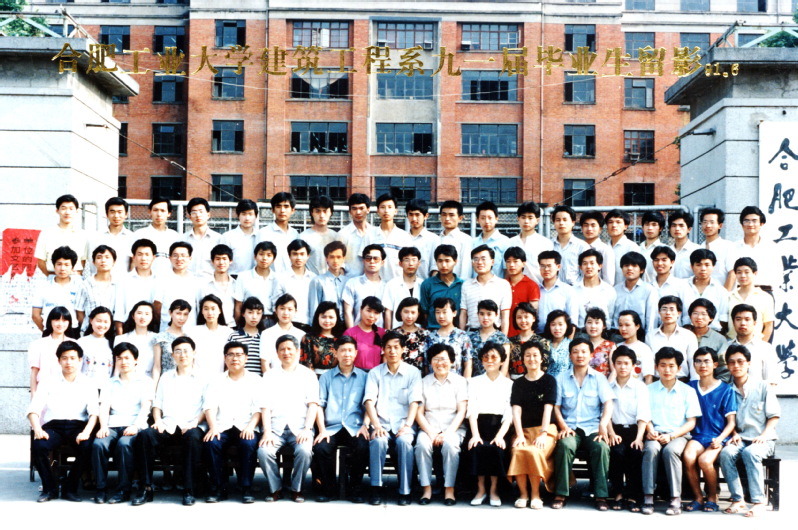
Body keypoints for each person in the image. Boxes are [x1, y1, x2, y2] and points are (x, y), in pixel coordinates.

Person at [132, 336, 207, 506]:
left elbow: (207, 406)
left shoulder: (203, 378)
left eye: (186, 351)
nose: (182, 355)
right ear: (172, 355)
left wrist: (195, 422)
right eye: (178, 351)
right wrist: (158, 420)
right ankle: (145, 488)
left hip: (192, 425)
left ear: (194, 353)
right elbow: (157, 403)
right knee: (145, 436)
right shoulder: (166, 377)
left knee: (193, 438)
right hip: (168, 425)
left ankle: (188, 490)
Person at [28, 340, 99, 502]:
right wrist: (38, 429)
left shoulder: (88, 383)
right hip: (54, 427)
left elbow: (94, 413)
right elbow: (33, 409)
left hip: (78, 426)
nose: (69, 362)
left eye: (73, 358)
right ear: (58, 360)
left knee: (88, 446)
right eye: (64, 358)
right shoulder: (48, 381)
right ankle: (49, 488)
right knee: (39, 446)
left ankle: (70, 488)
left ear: (80, 360)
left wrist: (86, 432)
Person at [551, 337, 615, 511]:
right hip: (570, 428)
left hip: (593, 428)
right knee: (565, 445)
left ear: (591, 355)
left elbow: (608, 403)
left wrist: (603, 424)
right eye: (575, 352)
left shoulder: (599, 378)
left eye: (584, 351)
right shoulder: (561, 378)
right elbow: (556, 407)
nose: (580, 355)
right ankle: (561, 493)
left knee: (601, 448)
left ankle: (601, 495)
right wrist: (563, 426)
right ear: (570, 355)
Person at [720, 344, 781, 518]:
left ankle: (758, 502)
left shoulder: (763, 386)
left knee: (751, 453)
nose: (736, 366)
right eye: (732, 362)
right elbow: (728, 419)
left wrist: (763, 435)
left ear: (748, 363)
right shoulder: (726, 390)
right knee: (726, 454)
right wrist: (733, 434)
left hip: (763, 438)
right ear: (727, 365)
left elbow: (774, 416)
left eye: (740, 361)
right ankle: (738, 499)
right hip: (740, 438)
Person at [641, 347, 702, 516]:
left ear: (679, 368)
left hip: (679, 435)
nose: (667, 370)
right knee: (651, 449)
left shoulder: (688, 391)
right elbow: (645, 416)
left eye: (671, 366)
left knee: (671, 451)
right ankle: (648, 497)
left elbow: (691, 422)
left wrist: (671, 436)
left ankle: (675, 498)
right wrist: (650, 430)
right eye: (663, 365)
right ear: (656, 367)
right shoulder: (648, 390)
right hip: (656, 433)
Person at [258, 335, 319, 503]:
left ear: (298, 351)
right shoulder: (269, 375)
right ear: (277, 353)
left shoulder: (308, 375)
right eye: (282, 349)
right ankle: (275, 488)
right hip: (275, 428)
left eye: (290, 349)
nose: (286, 352)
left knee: (304, 451)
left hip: (300, 428)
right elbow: (265, 407)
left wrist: (307, 429)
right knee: (264, 451)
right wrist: (267, 432)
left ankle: (296, 489)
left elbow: (313, 404)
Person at [364, 330, 422, 506]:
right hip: (381, 423)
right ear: (383, 349)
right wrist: (376, 425)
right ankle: (376, 488)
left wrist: (408, 425)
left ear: (403, 349)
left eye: (396, 347)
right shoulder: (375, 373)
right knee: (378, 441)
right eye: (388, 347)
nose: (392, 351)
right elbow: (369, 401)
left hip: (404, 423)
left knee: (404, 442)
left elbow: (414, 402)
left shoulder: (413, 373)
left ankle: (405, 490)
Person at [92, 342, 153, 504]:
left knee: (124, 445)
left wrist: (135, 426)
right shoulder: (109, 383)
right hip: (112, 425)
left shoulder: (145, 381)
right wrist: (103, 426)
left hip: (135, 425)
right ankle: (100, 489)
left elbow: (145, 407)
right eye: (119, 358)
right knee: (99, 444)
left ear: (136, 360)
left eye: (127, 358)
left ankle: (123, 490)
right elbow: (104, 407)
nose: (123, 362)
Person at [203, 341, 262, 504]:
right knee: (211, 442)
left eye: (239, 355)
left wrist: (251, 426)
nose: (235, 358)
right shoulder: (216, 380)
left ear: (246, 358)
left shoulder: (256, 380)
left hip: (246, 425)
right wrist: (213, 427)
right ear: (225, 358)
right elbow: (209, 406)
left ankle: (246, 487)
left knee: (248, 443)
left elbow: (259, 408)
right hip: (222, 426)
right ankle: (218, 488)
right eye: (230, 355)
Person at [313, 336, 370, 503]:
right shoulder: (326, 377)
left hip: (356, 427)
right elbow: (319, 405)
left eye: (350, 350)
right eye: (343, 350)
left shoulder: (365, 377)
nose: (347, 354)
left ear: (356, 353)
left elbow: (370, 403)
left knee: (362, 446)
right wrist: (322, 430)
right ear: (335, 353)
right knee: (321, 447)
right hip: (332, 427)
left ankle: (355, 488)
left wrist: (365, 425)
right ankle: (329, 489)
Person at [682, 347, 737, 513]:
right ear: (693, 365)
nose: (702, 365)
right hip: (697, 436)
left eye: (707, 361)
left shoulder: (726, 389)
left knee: (705, 461)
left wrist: (720, 439)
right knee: (688, 456)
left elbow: (731, 423)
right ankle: (698, 497)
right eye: (698, 361)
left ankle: (712, 498)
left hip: (718, 436)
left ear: (715, 364)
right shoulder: (689, 388)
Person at [507, 339, 558, 510]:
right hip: (524, 430)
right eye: (527, 355)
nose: (532, 359)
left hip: (546, 430)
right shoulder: (518, 383)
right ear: (523, 359)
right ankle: (523, 494)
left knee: (534, 451)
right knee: (518, 450)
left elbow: (548, 409)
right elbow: (516, 411)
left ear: (542, 358)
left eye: (535, 355)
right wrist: (520, 435)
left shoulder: (549, 380)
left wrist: (543, 433)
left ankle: (536, 494)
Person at [414, 343, 468, 506]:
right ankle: (426, 489)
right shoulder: (423, 382)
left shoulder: (460, 382)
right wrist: (431, 433)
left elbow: (461, 411)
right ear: (430, 362)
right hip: (428, 428)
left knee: (450, 446)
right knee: (422, 445)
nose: (440, 363)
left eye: (444, 359)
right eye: (436, 359)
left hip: (453, 429)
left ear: (451, 361)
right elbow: (419, 412)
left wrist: (447, 433)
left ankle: (449, 489)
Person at [467, 342, 513, 507]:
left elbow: (509, 413)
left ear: (502, 361)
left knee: (497, 448)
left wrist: (500, 436)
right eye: (486, 357)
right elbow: (472, 409)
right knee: (477, 446)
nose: (490, 360)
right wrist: (475, 435)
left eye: (494, 357)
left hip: (500, 427)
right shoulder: (473, 382)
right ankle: (481, 489)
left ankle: (494, 489)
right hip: (478, 425)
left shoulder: (509, 384)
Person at [607, 346, 650, 513]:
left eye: (626, 363)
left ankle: (633, 495)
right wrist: (611, 433)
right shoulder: (608, 387)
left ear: (633, 365)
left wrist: (639, 438)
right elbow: (605, 414)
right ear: (614, 365)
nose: (623, 367)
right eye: (619, 363)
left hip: (635, 430)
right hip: (615, 429)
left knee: (635, 453)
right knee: (616, 452)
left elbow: (643, 415)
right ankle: (618, 493)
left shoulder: (640, 387)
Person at [460, 245, 512, 334]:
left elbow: (505, 317)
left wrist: (503, 339)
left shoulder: (503, 285)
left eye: (483, 259)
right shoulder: (466, 285)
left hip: (494, 334)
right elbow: (463, 313)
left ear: (492, 262)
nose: (479, 262)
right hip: (471, 333)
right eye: (476, 259)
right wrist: (462, 336)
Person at [730, 206, 783, 292]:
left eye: (754, 221)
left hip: (765, 292)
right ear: (742, 225)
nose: (750, 224)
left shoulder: (771, 248)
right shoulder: (733, 248)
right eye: (747, 221)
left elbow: (778, 275)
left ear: (761, 224)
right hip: (740, 293)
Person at [646, 296, 698, 382]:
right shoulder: (650, 336)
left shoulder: (689, 336)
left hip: (682, 381)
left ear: (679, 313)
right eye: (664, 309)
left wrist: (695, 382)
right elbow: (648, 362)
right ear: (659, 312)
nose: (668, 313)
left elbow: (693, 361)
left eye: (671, 309)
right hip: (657, 381)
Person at [34, 194, 89, 275]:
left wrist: (77, 274)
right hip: (52, 277)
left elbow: (83, 260)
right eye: (63, 208)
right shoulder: (46, 233)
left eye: (71, 209)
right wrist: (51, 276)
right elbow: (41, 260)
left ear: (77, 211)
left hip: (75, 277)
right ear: (57, 211)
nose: (67, 212)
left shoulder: (83, 235)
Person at [364, 193, 413, 282]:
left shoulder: (404, 237)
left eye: (390, 207)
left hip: (397, 284)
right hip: (375, 284)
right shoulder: (369, 235)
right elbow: (364, 262)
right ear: (378, 211)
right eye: (383, 207)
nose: (386, 211)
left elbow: (409, 263)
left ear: (395, 211)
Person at [31, 245, 82, 330]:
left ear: (72, 267)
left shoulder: (79, 287)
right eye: (59, 264)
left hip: (73, 330)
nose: (62, 268)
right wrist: (46, 331)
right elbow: (35, 315)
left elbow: (81, 315)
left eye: (67, 265)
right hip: (50, 330)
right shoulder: (43, 287)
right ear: (54, 265)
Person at [114, 239, 158, 334]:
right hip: (129, 327)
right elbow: (119, 311)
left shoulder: (159, 280)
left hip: (153, 328)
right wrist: (120, 336)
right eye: (140, 254)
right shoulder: (124, 280)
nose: (143, 258)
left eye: (147, 254)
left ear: (154, 257)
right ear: (133, 257)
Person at [153, 241, 200, 332]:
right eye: (175, 255)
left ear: (190, 258)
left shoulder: (195, 280)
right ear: (170, 258)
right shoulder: (162, 279)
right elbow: (157, 305)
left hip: (190, 330)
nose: (179, 259)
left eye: (183, 255)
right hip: (167, 329)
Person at [29, 306, 77, 394]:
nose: (60, 324)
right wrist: (33, 395)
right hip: (44, 392)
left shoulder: (74, 344)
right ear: (50, 321)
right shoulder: (38, 344)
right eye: (57, 320)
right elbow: (34, 373)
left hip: (67, 391)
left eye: (64, 320)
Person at [727, 257, 775, 341]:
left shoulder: (765, 297)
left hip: (756, 344)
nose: (743, 275)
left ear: (755, 273)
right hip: (732, 343)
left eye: (746, 272)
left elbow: (768, 326)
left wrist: (761, 346)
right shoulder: (728, 297)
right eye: (739, 272)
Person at [727, 304, 777, 384]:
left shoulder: (766, 349)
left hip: (757, 392)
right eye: (738, 319)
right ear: (733, 323)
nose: (743, 323)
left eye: (747, 319)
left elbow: (771, 382)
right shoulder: (726, 347)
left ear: (754, 323)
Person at [681, 249, 728, 331]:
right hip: (685, 332)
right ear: (692, 266)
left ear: (713, 266)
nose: (703, 268)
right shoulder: (681, 287)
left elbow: (723, 318)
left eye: (707, 265)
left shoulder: (721, 291)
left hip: (712, 333)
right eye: (698, 265)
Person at [419, 244, 463, 329]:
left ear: (455, 261)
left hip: (456, 332)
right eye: (440, 261)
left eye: (447, 261)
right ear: (436, 262)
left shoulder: (462, 285)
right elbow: (425, 311)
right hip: (433, 331)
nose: (443, 265)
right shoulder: (427, 284)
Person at [86, 197, 133, 279]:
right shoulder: (96, 237)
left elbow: (133, 263)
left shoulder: (132, 237)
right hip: (101, 282)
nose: (116, 216)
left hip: (123, 282)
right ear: (107, 214)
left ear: (126, 214)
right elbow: (91, 263)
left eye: (120, 212)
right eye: (112, 212)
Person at [273, 239, 316, 326]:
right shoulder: (281, 278)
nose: (299, 258)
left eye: (302, 254)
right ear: (289, 256)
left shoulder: (314, 279)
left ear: (308, 256)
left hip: (310, 325)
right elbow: (275, 303)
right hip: (288, 325)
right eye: (295, 254)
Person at [342, 244, 387, 328]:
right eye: (368, 258)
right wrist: (352, 334)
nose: (372, 261)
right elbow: (348, 312)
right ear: (363, 261)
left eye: (376, 259)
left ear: (382, 262)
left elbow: (387, 314)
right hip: (357, 333)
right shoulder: (353, 283)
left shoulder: (387, 287)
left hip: (380, 333)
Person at [612, 251, 658, 332]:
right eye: (626, 265)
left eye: (634, 265)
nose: (629, 268)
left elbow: (651, 319)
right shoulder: (615, 290)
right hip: (617, 333)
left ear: (642, 270)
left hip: (639, 334)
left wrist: (648, 336)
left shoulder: (649, 290)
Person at [75, 244, 118, 332]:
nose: (103, 260)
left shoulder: (118, 285)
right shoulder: (85, 284)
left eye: (107, 257)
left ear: (114, 262)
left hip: (112, 332)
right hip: (89, 331)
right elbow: (79, 311)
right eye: (99, 257)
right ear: (93, 262)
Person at [427, 297, 473, 377]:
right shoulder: (430, 337)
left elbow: (468, 364)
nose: (441, 316)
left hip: (456, 382)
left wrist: (466, 382)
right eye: (438, 312)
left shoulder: (462, 336)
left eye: (445, 312)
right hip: (434, 382)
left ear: (454, 313)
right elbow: (426, 365)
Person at [685, 298, 729, 382]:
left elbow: (724, 369)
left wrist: (716, 386)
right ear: (690, 316)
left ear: (711, 318)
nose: (699, 317)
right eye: (695, 313)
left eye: (704, 314)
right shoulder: (683, 335)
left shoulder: (719, 339)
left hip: (710, 384)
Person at [508, 201, 553, 283]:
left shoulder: (545, 243)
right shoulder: (510, 242)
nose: (526, 221)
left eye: (530, 217)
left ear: (537, 220)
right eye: (523, 217)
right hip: (516, 286)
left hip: (538, 286)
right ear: (518, 219)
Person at [132, 198, 179, 277]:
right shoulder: (139, 234)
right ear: (149, 212)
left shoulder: (175, 236)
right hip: (145, 279)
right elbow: (133, 261)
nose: (159, 214)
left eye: (163, 211)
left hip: (169, 279)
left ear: (169, 213)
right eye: (155, 210)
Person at [259, 293, 306, 372]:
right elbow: (265, 363)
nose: (286, 313)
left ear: (295, 311)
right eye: (282, 308)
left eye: (290, 309)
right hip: (274, 377)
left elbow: (304, 362)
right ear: (276, 310)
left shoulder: (302, 335)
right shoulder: (267, 334)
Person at [233, 241, 279, 319]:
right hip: (249, 320)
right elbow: (238, 306)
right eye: (261, 254)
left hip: (271, 320)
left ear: (274, 259)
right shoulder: (243, 277)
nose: (264, 258)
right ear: (255, 256)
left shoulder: (277, 278)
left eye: (269, 255)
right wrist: (239, 325)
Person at [257, 192, 299, 275]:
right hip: (270, 279)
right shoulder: (264, 233)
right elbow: (258, 260)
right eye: (278, 206)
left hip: (291, 278)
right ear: (272, 210)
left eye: (286, 206)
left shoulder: (295, 234)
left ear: (292, 210)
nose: (282, 210)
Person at [536, 250, 579, 332]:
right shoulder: (535, 289)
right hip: (538, 335)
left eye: (549, 266)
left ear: (558, 267)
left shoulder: (568, 290)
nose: (546, 269)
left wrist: (568, 339)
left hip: (559, 336)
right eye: (542, 266)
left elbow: (572, 320)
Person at [573, 248, 616, 328]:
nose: (589, 266)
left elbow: (610, 315)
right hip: (580, 332)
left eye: (592, 263)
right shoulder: (573, 290)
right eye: (585, 263)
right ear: (580, 267)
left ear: (600, 266)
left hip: (602, 332)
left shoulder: (609, 290)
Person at [191, 294, 231, 379]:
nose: (210, 313)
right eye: (206, 309)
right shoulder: (193, 332)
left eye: (213, 309)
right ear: (202, 311)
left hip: (220, 378)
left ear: (220, 310)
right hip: (197, 378)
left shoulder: (228, 332)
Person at [301, 301, 346, 376]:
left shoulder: (341, 339)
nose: (327, 321)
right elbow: (306, 363)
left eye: (331, 317)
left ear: (337, 318)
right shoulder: (309, 338)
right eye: (323, 317)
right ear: (317, 318)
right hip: (314, 378)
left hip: (337, 377)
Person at [115, 301, 158, 379]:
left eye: (147, 314)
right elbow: (117, 367)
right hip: (126, 381)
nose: (143, 317)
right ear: (133, 316)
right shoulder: (120, 339)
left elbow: (157, 366)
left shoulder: (157, 338)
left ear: (152, 317)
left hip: (148, 381)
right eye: (139, 313)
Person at [467, 299, 510, 377]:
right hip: (475, 380)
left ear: (496, 315)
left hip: (495, 381)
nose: (485, 318)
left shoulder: (502, 339)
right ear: (477, 314)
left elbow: (504, 367)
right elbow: (468, 364)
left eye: (489, 314)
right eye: (482, 314)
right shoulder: (471, 337)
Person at [383, 246, 423, 328]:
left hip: (419, 331)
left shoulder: (423, 285)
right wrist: (388, 332)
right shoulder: (392, 284)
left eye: (414, 260)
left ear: (419, 263)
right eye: (406, 260)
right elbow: (388, 311)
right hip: (397, 331)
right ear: (400, 263)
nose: (410, 263)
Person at [197, 244, 236, 326]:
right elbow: (200, 309)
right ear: (212, 261)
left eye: (224, 259)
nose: (221, 262)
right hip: (212, 327)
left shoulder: (236, 284)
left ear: (230, 261)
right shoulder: (204, 286)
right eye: (217, 259)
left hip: (233, 327)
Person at [152, 298, 191, 381]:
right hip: (166, 381)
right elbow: (157, 367)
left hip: (185, 380)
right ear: (170, 313)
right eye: (178, 313)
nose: (181, 318)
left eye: (185, 314)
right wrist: (155, 387)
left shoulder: (189, 338)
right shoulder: (160, 337)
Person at [504, 246, 540, 335]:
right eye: (508, 261)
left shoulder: (532, 285)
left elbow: (533, 314)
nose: (511, 265)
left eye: (515, 261)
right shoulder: (502, 284)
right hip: (504, 334)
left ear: (523, 263)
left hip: (523, 336)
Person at [300, 195, 340, 276]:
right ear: (312, 213)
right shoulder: (303, 237)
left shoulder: (336, 237)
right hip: (310, 280)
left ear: (331, 213)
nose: (321, 215)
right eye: (317, 211)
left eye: (325, 211)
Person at [508, 303, 550, 379]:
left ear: (533, 318)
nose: (523, 320)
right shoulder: (509, 342)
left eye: (526, 317)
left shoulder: (542, 342)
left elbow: (544, 367)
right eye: (519, 317)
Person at [550, 205, 590, 286]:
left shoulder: (582, 246)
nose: (561, 223)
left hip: (575, 289)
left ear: (573, 223)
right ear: (554, 223)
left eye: (565, 220)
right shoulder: (548, 245)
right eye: (558, 220)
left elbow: (587, 273)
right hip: (554, 289)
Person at [343, 296, 386, 371]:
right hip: (355, 373)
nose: (371, 316)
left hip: (376, 374)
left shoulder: (382, 333)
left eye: (376, 312)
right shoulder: (350, 333)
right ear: (361, 309)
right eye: (368, 311)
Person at [308, 240, 350, 315]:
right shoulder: (318, 281)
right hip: (326, 320)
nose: (335, 260)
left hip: (345, 321)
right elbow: (314, 309)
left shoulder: (348, 282)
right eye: (332, 257)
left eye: (339, 257)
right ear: (326, 258)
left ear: (343, 258)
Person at [183, 197, 222, 277]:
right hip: (188, 281)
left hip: (210, 281)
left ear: (208, 215)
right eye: (194, 212)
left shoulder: (219, 239)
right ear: (189, 216)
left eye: (201, 212)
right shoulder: (182, 240)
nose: (198, 215)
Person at [699, 207, 736, 289]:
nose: (708, 225)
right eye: (705, 222)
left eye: (712, 222)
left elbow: (732, 272)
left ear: (720, 225)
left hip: (722, 292)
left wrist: (725, 294)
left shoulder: (728, 246)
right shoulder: (699, 248)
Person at [228, 296, 266, 375]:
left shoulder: (265, 336)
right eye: (250, 312)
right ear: (243, 313)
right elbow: (228, 361)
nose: (254, 317)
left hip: (259, 380)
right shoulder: (234, 336)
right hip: (239, 379)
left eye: (258, 313)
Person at [220, 199, 259, 275]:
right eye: (243, 214)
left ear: (256, 216)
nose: (247, 218)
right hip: (234, 278)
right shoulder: (228, 237)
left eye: (250, 214)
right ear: (238, 216)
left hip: (255, 278)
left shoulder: (261, 236)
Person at [391, 296, 429, 373]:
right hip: (397, 376)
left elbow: (427, 362)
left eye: (413, 312)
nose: (409, 316)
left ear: (418, 314)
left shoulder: (426, 335)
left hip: (418, 377)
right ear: (400, 312)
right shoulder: (392, 334)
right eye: (406, 312)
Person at [339, 193, 373, 276]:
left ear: (368, 209)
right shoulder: (343, 234)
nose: (358, 212)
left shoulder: (375, 232)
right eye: (354, 209)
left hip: (371, 279)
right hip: (349, 280)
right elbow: (338, 260)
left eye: (361, 208)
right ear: (350, 211)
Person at [473, 201, 510, 278]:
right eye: (483, 218)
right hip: (475, 284)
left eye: (490, 218)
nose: (486, 221)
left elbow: (507, 270)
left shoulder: (505, 242)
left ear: (496, 219)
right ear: (477, 220)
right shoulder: (473, 242)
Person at [78, 306, 114, 384]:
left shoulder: (113, 343)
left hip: (106, 387)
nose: (102, 325)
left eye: (106, 322)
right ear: (91, 321)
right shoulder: (82, 342)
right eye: (99, 321)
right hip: (85, 386)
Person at [405, 198, 439, 280]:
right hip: (404, 284)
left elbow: (435, 267)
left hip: (425, 284)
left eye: (417, 215)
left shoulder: (433, 239)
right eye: (411, 214)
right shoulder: (402, 237)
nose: (414, 218)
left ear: (426, 216)